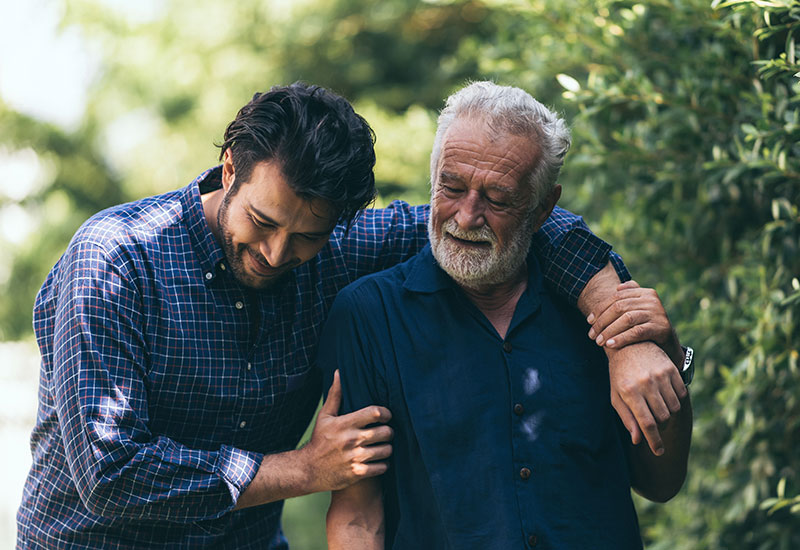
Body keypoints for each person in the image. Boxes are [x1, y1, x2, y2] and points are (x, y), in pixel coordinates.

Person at [17, 82, 680, 549]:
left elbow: (527, 224)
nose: (277, 254)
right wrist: (306, 469)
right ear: (229, 171)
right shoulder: (114, 263)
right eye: (262, 221)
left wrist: (624, 331)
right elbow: (112, 474)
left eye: (306, 237)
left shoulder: (338, 247)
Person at [321, 81, 693, 549]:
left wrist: (668, 356)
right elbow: (358, 514)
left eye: (497, 199)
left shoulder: (601, 306)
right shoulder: (368, 315)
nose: (467, 216)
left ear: (543, 209)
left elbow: (660, 483)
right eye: (451, 187)